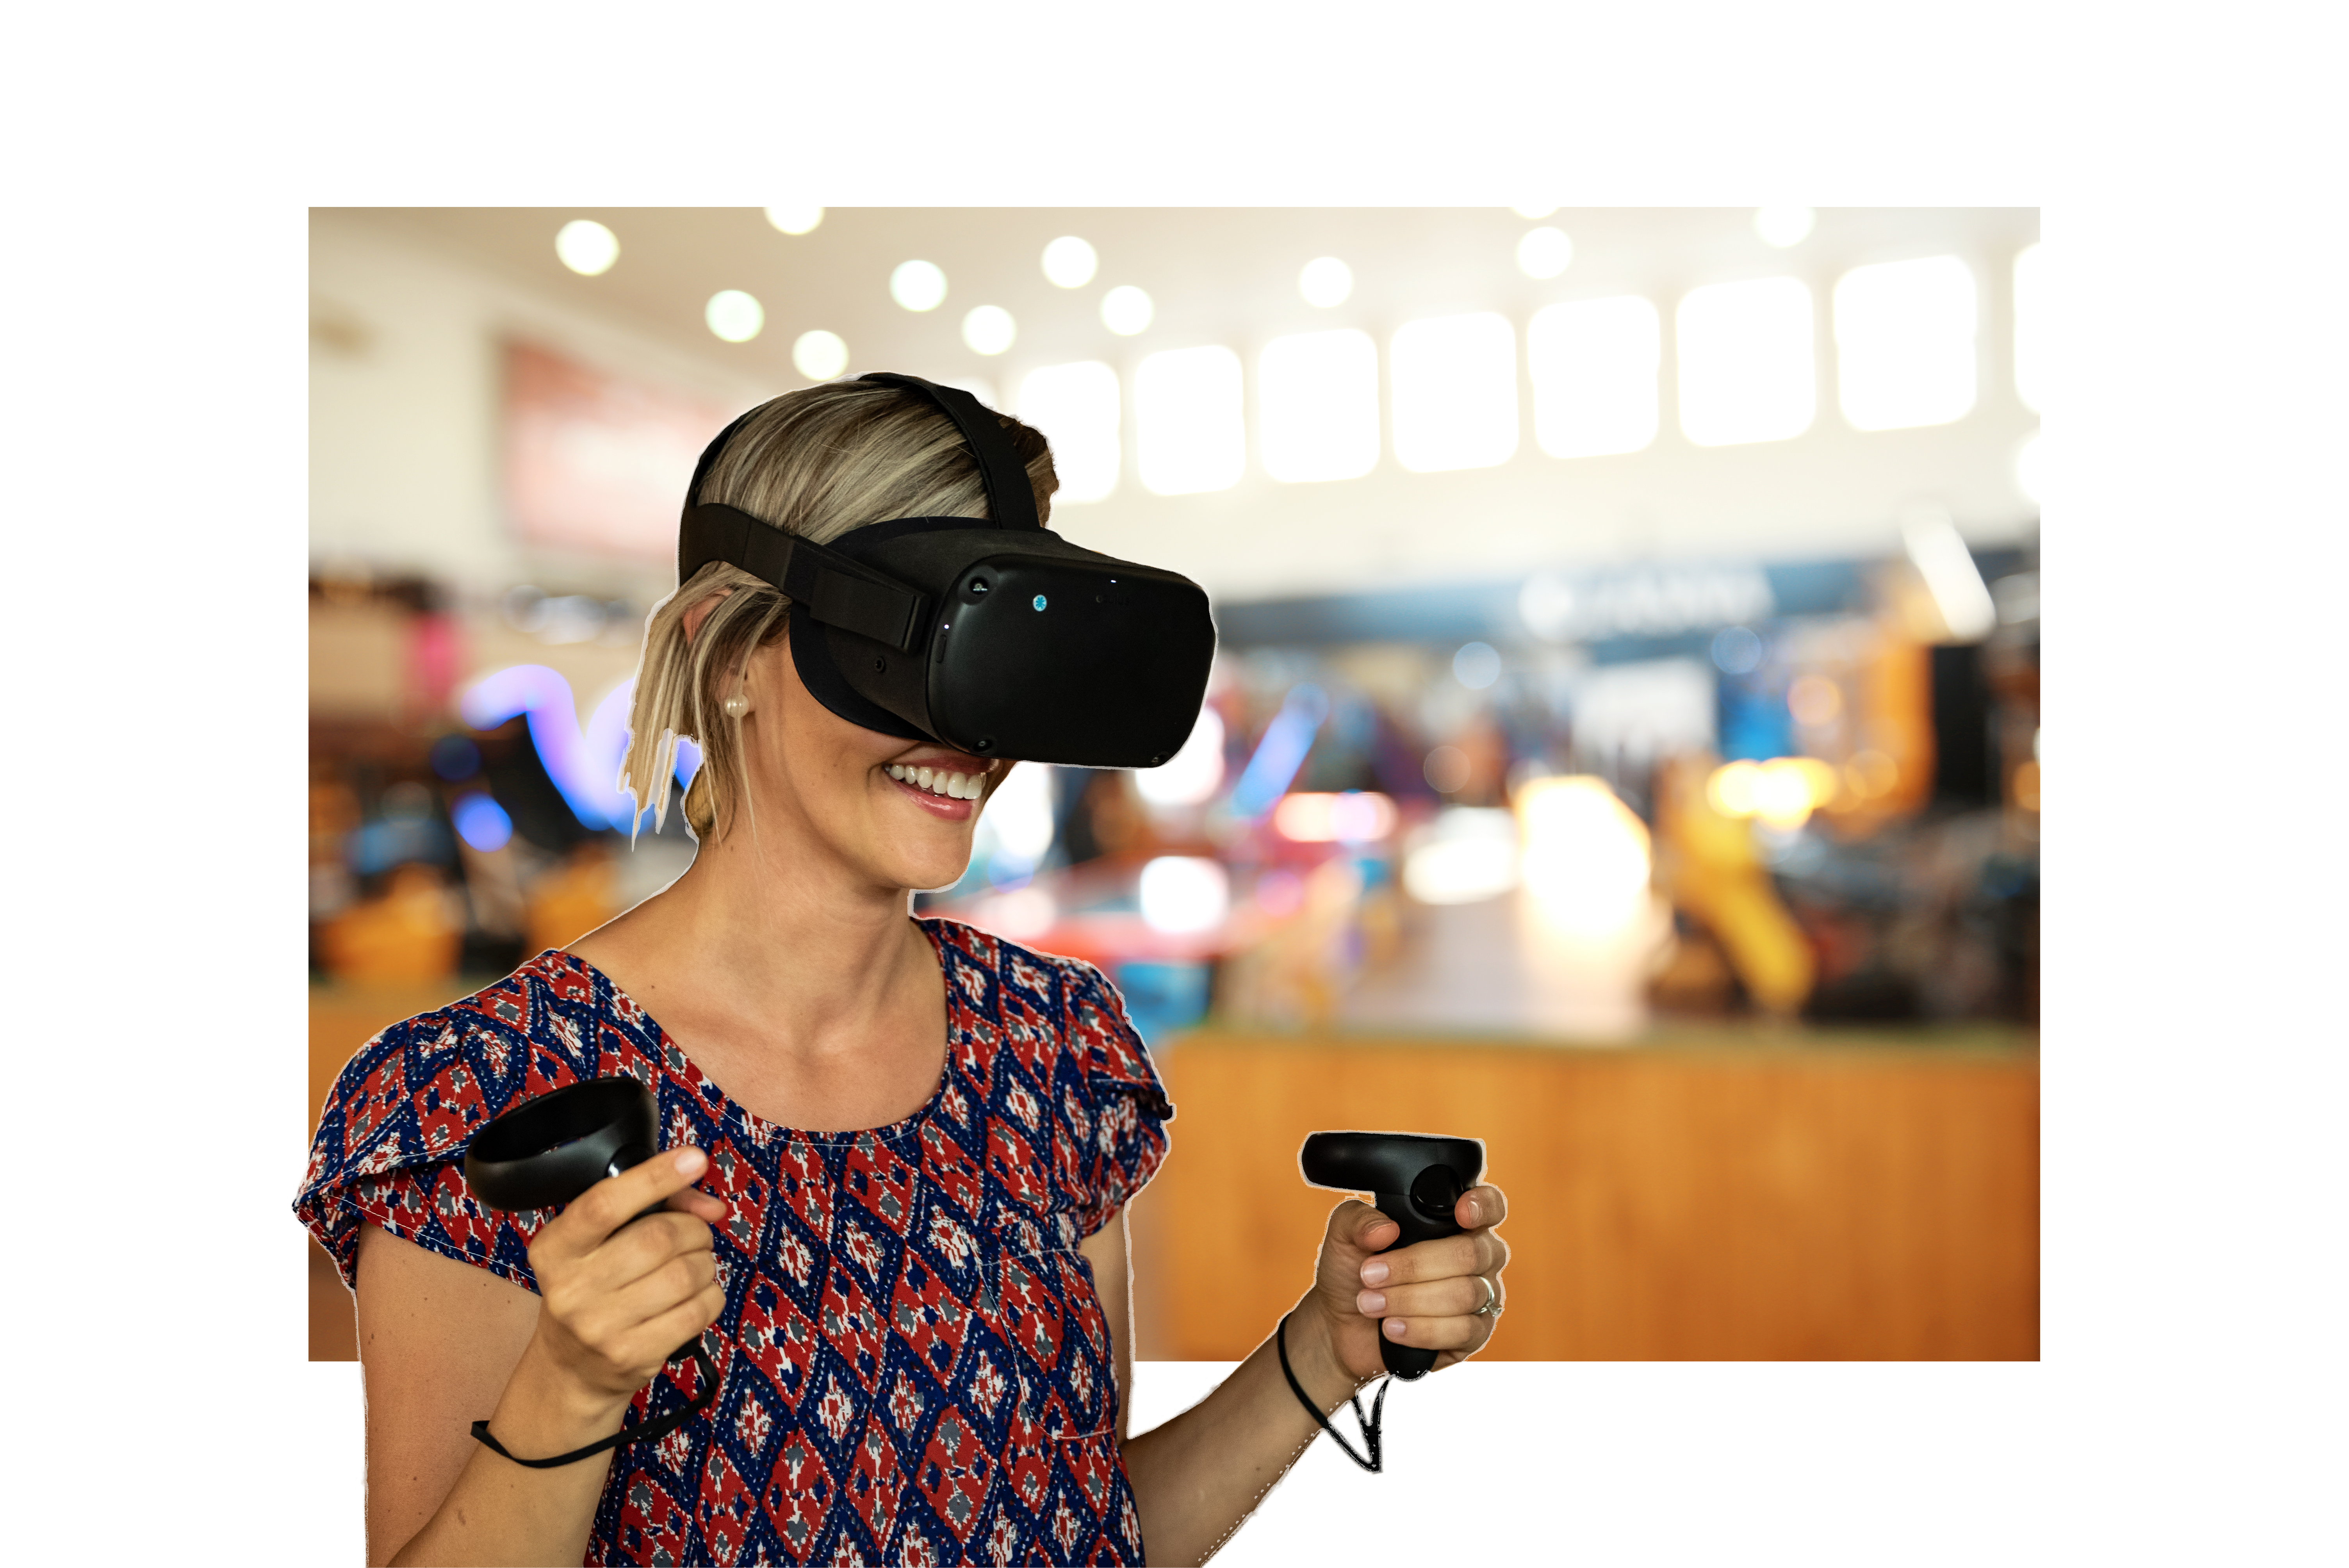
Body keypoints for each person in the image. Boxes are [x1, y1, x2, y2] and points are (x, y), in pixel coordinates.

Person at [293, 380, 1513, 1566]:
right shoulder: (480, 1098)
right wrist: (570, 1388)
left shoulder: (1053, 1044)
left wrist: (1326, 1348)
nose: (972, 742)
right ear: (727, 651)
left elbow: (1091, 1525)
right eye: (911, 656)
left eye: (992, 666)